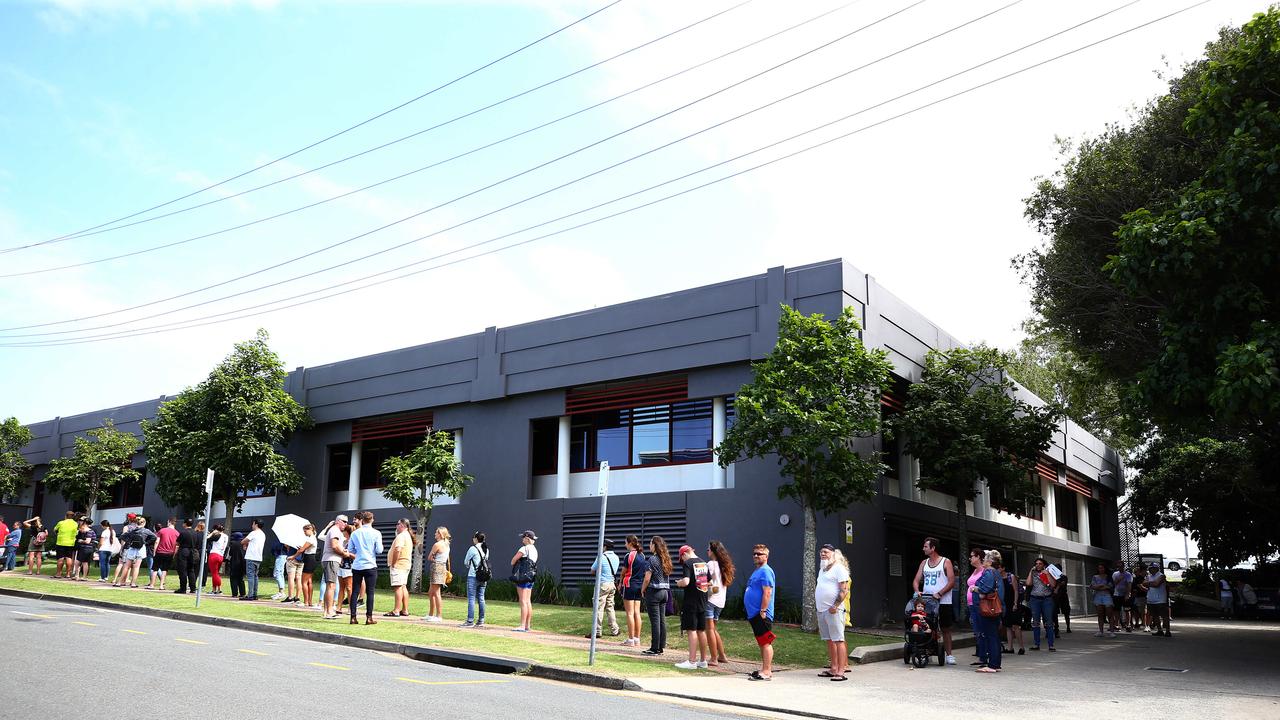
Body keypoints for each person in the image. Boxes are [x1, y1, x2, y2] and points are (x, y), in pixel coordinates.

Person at [912, 536, 957, 665]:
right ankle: (927, 649)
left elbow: (952, 581)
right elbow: (916, 580)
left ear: (933, 548)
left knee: (945, 628)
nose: (923, 548)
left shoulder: (945, 562)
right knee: (927, 625)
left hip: (943, 601)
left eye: (926, 546)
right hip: (928, 602)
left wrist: (940, 593)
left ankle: (949, 655)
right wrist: (917, 590)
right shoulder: (924, 563)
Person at [815, 545, 851, 680]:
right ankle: (833, 668)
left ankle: (841, 671)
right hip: (822, 610)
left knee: (838, 639)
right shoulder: (822, 570)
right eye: (821, 552)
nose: (823, 554)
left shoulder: (839, 569)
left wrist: (835, 605)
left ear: (833, 554)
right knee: (829, 640)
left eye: (826, 552)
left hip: (834, 610)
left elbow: (844, 590)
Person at [673, 544, 711, 670]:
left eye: (681, 558)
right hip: (703, 601)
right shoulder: (704, 563)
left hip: (691, 602)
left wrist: (679, 583)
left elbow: (686, 582)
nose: (682, 561)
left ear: (684, 554)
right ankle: (703, 660)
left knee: (692, 630)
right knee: (701, 631)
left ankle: (692, 661)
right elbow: (709, 582)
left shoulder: (688, 564)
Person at [745, 543, 776, 681]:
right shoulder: (758, 571)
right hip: (754, 614)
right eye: (754, 554)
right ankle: (764, 668)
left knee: (765, 642)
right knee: (761, 642)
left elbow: (767, 592)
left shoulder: (766, 571)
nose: (756, 556)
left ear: (766, 556)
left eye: (760, 554)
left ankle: (767, 671)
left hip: (762, 613)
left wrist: (763, 611)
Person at [970, 550, 1004, 674]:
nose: (983, 561)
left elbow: (985, 588)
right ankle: (995, 664)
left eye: (985, 559)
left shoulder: (989, 572)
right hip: (994, 608)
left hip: (988, 608)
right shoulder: (994, 572)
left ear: (990, 561)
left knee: (991, 636)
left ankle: (993, 665)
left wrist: (974, 588)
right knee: (993, 636)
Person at [347, 511, 383, 625]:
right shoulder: (376, 533)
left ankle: (353, 617)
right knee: (370, 592)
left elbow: (351, 549)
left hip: (357, 564)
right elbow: (379, 550)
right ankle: (369, 617)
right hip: (370, 564)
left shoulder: (355, 533)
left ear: (362, 520)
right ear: (372, 520)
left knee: (355, 591)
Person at [640, 535, 672, 655]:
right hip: (665, 592)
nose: (649, 546)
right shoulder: (665, 558)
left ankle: (654, 648)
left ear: (655, 545)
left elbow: (647, 578)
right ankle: (661, 647)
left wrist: (642, 589)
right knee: (662, 620)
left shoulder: (652, 560)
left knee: (655, 621)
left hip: (654, 592)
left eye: (650, 543)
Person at [705, 540, 734, 667]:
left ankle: (713, 658)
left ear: (713, 551)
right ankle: (722, 656)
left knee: (709, 629)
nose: (707, 551)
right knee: (713, 629)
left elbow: (704, 581)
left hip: (710, 599)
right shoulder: (725, 565)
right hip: (720, 601)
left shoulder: (710, 564)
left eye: (708, 549)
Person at [586, 538, 620, 638]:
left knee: (598, 607)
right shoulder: (616, 557)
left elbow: (592, 570)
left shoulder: (601, 557)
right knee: (610, 607)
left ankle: (597, 631)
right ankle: (615, 630)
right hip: (612, 584)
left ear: (605, 546)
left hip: (602, 584)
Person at [619, 535, 648, 647]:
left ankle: (630, 639)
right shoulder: (642, 555)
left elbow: (624, 571)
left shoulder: (629, 555)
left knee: (629, 613)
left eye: (625, 543)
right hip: (639, 586)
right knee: (637, 613)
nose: (625, 545)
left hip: (629, 584)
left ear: (630, 543)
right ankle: (637, 638)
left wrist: (620, 582)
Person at [318, 515, 349, 619]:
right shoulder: (335, 530)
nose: (346, 524)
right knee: (331, 586)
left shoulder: (335, 531)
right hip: (331, 560)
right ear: (338, 521)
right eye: (344, 521)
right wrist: (344, 554)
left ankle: (327, 611)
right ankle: (329, 611)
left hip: (330, 559)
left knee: (329, 586)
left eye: (346, 522)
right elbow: (334, 546)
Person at [1025, 557, 1056, 652]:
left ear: (1044, 565)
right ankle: (1036, 644)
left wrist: (1048, 575)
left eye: (1040, 564)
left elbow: (1053, 585)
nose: (1038, 565)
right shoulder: (1033, 573)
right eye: (1036, 564)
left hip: (1047, 599)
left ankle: (1051, 645)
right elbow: (1028, 583)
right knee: (1035, 622)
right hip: (1035, 599)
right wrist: (1031, 572)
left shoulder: (1048, 572)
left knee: (1049, 622)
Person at [510, 530, 538, 632]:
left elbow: (513, 561)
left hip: (522, 576)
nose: (522, 539)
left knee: (522, 601)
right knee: (528, 601)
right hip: (531, 576)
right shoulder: (534, 549)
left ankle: (522, 625)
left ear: (527, 538)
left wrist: (517, 561)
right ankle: (527, 625)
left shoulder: (524, 548)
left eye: (523, 537)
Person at [115, 518, 154, 588]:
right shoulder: (146, 531)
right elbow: (154, 537)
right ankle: (133, 583)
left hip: (132, 548)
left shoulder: (133, 531)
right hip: (140, 548)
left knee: (126, 566)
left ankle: (119, 582)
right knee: (136, 567)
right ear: (144, 523)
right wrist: (146, 542)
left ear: (136, 523)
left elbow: (123, 536)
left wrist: (129, 541)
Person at [965, 548, 988, 666]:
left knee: (982, 630)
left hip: (979, 604)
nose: (970, 558)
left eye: (972, 556)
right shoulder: (974, 571)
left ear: (979, 557)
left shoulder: (984, 571)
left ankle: (984, 656)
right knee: (977, 631)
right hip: (971, 605)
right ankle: (982, 656)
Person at [462, 531, 489, 628]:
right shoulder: (486, 549)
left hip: (473, 575)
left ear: (476, 539)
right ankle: (481, 620)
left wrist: (470, 565)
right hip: (483, 576)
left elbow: (466, 562)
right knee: (481, 598)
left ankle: (470, 621)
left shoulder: (472, 548)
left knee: (471, 598)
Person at [386, 518, 413, 618]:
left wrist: (393, 562)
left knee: (397, 587)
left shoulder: (401, 536)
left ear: (402, 525)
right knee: (403, 586)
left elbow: (398, 550)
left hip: (399, 565)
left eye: (397, 524)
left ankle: (396, 610)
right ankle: (405, 610)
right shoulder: (407, 535)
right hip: (405, 564)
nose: (396, 526)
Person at [424, 526, 451, 623]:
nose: (435, 534)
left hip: (437, 567)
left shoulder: (437, 544)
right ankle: (431, 614)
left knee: (436, 592)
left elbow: (430, 557)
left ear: (440, 534)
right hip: (442, 567)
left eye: (436, 532)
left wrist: (433, 557)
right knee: (431, 592)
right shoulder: (446, 544)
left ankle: (438, 615)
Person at [286, 524, 317, 606]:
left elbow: (302, 550)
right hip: (311, 559)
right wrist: (302, 549)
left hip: (309, 559)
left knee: (304, 582)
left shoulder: (311, 539)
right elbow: (304, 549)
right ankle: (309, 602)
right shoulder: (313, 538)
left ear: (310, 529)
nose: (304, 532)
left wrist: (293, 557)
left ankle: (306, 602)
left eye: (305, 531)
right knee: (309, 582)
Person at [1001, 560, 1025, 654]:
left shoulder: (1011, 577)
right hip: (1005, 604)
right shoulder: (997, 578)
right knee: (1008, 626)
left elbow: (1016, 591)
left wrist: (1015, 603)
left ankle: (1021, 647)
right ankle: (1010, 648)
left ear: (1003, 568)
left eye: (999, 567)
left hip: (1013, 603)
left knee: (1016, 626)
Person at [239, 518, 267, 601]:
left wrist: (245, 544)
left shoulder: (253, 533)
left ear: (256, 525)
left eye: (253, 524)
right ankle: (254, 594)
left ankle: (250, 595)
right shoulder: (263, 534)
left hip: (251, 557)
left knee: (250, 576)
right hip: (258, 557)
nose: (252, 525)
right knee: (255, 576)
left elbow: (243, 541)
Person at [1089, 562, 1116, 637]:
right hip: (1098, 596)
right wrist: (1102, 586)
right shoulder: (1095, 576)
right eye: (1099, 568)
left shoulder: (1109, 577)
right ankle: (1101, 631)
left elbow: (1110, 586)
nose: (1101, 569)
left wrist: (1099, 586)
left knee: (1109, 613)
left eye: (1102, 568)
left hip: (1107, 596)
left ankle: (1112, 631)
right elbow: (1092, 586)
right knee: (1100, 614)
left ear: (1105, 568)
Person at [152, 518, 179, 590]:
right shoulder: (177, 533)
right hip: (169, 553)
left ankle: (152, 585)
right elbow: (176, 545)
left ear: (169, 522)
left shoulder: (162, 530)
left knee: (155, 569)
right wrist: (174, 554)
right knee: (165, 570)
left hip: (160, 552)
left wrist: (154, 551)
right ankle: (161, 586)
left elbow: (157, 542)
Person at [1145, 563, 1171, 637]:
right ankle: (1160, 630)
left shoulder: (1161, 575)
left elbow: (1157, 584)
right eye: (1150, 568)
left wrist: (1149, 583)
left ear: (1156, 569)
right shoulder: (1149, 576)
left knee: (1164, 616)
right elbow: (1143, 583)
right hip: (1151, 599)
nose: (1150, 569)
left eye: (1152, 568)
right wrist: (1152, 583)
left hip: (1161, 600)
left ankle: (1168, 631)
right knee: (1155, 615)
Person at [175, 519, 200, 593]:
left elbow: (177, 542)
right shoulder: (195, 533)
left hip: (183, 551)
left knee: (182, 570)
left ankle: (183, 588)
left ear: (185, 524)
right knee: (191, 570)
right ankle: (193, 588)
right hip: (192, 551)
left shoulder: (183, 532)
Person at [52, 511, 78, 578]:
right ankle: (68, 574)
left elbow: (55, 530)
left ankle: (58, 574)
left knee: (60, 558)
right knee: (69, 558)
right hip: (71, 543)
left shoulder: (61, 523)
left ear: (65, 516)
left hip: (61, 542)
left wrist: (58, 534)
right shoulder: (76, 524)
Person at [1111, 560, 1133, 631]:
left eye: (1121, 566)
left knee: (1127, 610)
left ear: (1123, 566)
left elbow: (1129, 584)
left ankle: (1128, 625)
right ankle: (1116, 625)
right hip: (1117, 594)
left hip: (1125, 594)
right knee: (1116, 610)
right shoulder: (1115, 574)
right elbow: (1114, 583)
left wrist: (1127, 594)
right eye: (1118, 567)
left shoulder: (1128, 574)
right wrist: (1119, 579)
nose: (1119, 568)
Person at [206, 525, 228, 594]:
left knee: (214, 574)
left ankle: (219, 589)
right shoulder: (226, 536)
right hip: (221, 556)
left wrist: (212, 533)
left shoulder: (217, 535)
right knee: (215, 573)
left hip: (214, 555)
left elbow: (206, 539)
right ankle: (214, 589)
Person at [227, 531, 246, 598]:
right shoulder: (244, 543)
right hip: (243, 563)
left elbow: (230, 554)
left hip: (234, 562)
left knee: (233, 579)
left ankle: (234, 593)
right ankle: (242, 593)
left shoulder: (233, 544)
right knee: (241, 579)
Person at [1131, 564, 1149, 631]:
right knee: (1140, 611)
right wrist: (1150, 589)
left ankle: (1144, 624)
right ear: (1142, 571)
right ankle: (1141, 624)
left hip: (1143, 596)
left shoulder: (1146, 577)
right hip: (1139, 596)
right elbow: (1141, 587)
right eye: (1145, 570)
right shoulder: (1138, 578)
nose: (1146, 572)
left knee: (1143, 611)